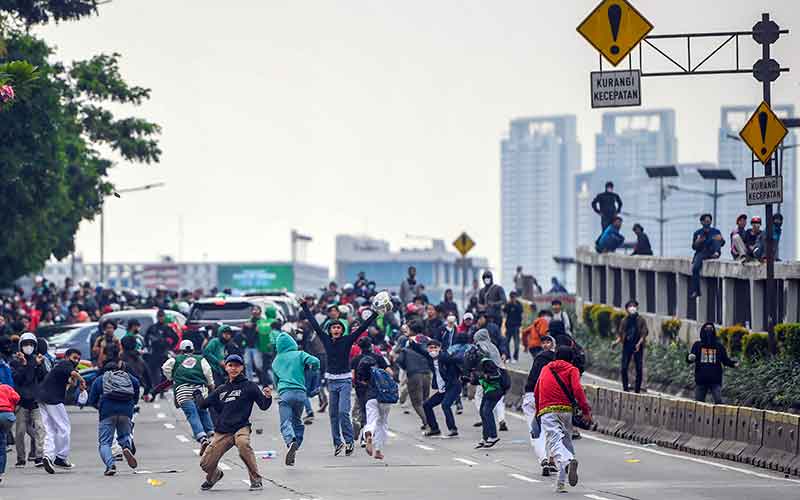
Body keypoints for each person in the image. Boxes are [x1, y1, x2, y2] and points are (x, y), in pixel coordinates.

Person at [299, 300, 377, 456]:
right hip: (331, 381)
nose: (336, 329)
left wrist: (374, 313)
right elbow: (314, 323)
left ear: (342, 330)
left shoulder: (347, 340)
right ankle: (337, 443)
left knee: (343, 412)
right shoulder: (326, 339)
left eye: (338, 327)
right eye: (333, 327)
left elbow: (362, 327)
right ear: (329, 330)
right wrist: (305, 307)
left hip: (345, 381)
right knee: (332, 414)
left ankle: (349, 441)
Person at [195, 354, 273, 491]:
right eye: (230, 365)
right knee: (205, 464)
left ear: (242, 367)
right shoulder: (221, 390)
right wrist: (197, 394)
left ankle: (256, 480)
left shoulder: (250, 386)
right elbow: (203, 405)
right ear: (226, 367)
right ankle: (214, 476)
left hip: (241, 428)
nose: (233, 368)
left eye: (237, 366)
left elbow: (264, 405)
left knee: (243, 444)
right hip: (223, 431)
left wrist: (267, 396)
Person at [535, 346, 592, 493]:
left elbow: (537, 389)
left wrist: (537, 410)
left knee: (554, 442)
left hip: (548, 410)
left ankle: (567, 462)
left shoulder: (546, 368)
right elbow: (578, 390)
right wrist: (586, 411)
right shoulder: (572, 369)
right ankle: (560, 483)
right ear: (571, 358)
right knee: (565, 441)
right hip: (566, 410)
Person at [271, 332, 320, 466]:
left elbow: (275, 381)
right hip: (300, 394)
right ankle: (296, 444)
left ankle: (290, 441)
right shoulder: (300, 354)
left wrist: (280, 390)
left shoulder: (276, 360)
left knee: (285, 423)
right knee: (297, 421)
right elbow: (315, 361)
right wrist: (313, 371)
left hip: (285, 393)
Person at [87, 359, 140, 476]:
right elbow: (136, 387)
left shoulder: (100, 379)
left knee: (105, 442)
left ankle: (110, 465)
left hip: (107, 412)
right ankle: (126, 447)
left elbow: (91, 400)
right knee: (125, 435)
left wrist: (99, 407)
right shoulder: (129, 377)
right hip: (126, 412)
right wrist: (132, 404)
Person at [162, 340, 215, 453]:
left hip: (183, 390)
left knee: (192, 413)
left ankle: (202, 438)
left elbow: (165, 368)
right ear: (193, 349)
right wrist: (211, 385)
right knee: (203, 411)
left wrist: (171, 377)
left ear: (181, 350)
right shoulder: (201, 359)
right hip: (200, 390)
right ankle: (211, 433)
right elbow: (208, 372)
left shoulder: (174, 360)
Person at [38, 348, 86, 473]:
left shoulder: (62, 367)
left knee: (50, 429)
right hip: (52, 399)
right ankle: (60, 457)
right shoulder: (65, 364)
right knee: (64, 427)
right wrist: (82, 379)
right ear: (67, 357)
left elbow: (70, 383)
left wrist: (78, 383)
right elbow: (74, 375)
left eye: (78, 359)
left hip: (42, 398)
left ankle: (47, 456)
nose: (76, 361)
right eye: (74, 358)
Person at [409, 338, 461, 437]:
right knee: (427, 405)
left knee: (445, 405)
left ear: (440, 348)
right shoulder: (430, 358)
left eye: (435, 348)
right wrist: (412, 342)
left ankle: (452, 428)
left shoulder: (444, 357)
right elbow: (420, 350)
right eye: (431, 348)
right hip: (442, 389)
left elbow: (457, 359)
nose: (433, 350)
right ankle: (434, 429)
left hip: (452, 386)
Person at [522, 335, 557, 476]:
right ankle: (552, 460)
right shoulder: (560, 362)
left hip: (532, 396)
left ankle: (543, 459)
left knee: (536, 432)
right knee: (553, 431)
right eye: (544, 342)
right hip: (548, 399)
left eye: (548, 341)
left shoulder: (539, 358)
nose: (546, 344)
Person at [11, 333, 47, 468]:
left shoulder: (37, 360)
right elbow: (21, 379)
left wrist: (39, 365)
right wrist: (26, 365)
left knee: (40, 428)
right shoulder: (15, 362)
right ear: (21, 346)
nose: (28, 347)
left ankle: (39, 456)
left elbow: (43, 377)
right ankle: (21, 458)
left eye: (31, 344)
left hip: (35, 400)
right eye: (26, 344)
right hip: (21, 402)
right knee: (20, 432)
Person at [471, 334, 510, 449]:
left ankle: (492, 436)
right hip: (489, 389)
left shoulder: (487, 359)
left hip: (496, 389)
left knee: (487, 411)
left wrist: (485, 376)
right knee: (483, 411)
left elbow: (494, 375)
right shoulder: (481, 360)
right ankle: (485, 437)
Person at [355, 354, 397, 460]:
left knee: (371, 421)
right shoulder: (381, 372)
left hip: (371, 399)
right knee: (382, 424)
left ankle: (368, 435)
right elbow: (392, 379)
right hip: (385, 399)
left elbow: (362, 383)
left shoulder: (362, 373)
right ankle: (378, 450)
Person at [687, 323, 737, 404]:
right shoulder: (697, 345)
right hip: (701, 379)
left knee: (718, 401)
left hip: (715, 380)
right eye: (707, 329)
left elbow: (725, 360)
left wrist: (734, 364)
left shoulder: (719, 346)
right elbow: (691, 358)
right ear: (703, 331)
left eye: (711, 329)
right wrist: (689, 357)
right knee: (699, 403)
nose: (709, 331)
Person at [395, 332, 432, 431]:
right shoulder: (425, 352)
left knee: (417, 403)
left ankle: (427, 423)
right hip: (427, 374)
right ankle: (430, 421)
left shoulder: (406, 351)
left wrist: (406, 368)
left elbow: (398, 361)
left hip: (414, 375)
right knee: (425, 400)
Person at [612, 300, 648, 393]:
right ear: (627, 309)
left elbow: (644, 334)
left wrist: (639, 344)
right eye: (630, 306)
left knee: (639, 368)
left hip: (637, 347)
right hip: (627, 346)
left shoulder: (641, 320)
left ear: (636, 308)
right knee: (624, 367)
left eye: (634, 306)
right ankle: (625, 388)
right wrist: (616, 343)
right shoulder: (624, 321)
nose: (632, 308)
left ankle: (637, 389)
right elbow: (621, 335)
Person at [690, 214, 725, 299]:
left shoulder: (716, 231)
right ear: (702, 222)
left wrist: (721, 239)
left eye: (709, 221)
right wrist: (698, 241)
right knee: (695, 268)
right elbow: (694, 247)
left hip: (712, 252)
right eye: (706, 221)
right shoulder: (697, 233)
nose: (708, 222)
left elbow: (723, 243)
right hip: (702, 253)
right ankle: (696, 290)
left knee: (715, 240)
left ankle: (716, 253)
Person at [144, 310, 179, 384]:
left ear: (164, 317)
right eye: (159, 316)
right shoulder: (152, 327)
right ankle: (155, 386)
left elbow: (176, 338)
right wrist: (148, 346)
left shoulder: (166, 328)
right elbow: (146, 337)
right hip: (154, 352)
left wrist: (170, 347)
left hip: (163, 352)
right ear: (157, 317)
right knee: (152, 370)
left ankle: (163, 386)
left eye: (162, 316)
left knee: (164, 370)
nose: (161, 318)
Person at [0, 382, 20, 483]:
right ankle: (0, 472)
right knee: (2, 445)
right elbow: (16, 398)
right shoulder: (6, 387)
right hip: (7, 416)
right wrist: (11, 407)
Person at [241, 306, 264, 383]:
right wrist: (245, 326)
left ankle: (264, 379)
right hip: (248, 346)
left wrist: (257, 327)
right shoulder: (248, 321)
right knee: (247, 364)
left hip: (257, 346)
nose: (255, 311)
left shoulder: (262, 321)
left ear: (260, 311)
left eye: (256, 310)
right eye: (253, 310)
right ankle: (249, 381)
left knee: (259, 365)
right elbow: (242, 333)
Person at [503, 292, 523, 363]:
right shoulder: (508, 304)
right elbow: (504, 311)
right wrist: (509, 304)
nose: (513, 298)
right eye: (511, 297)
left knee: (516, 343)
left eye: (514, 297)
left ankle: (515, 357)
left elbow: (521, 312)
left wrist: (515, 304)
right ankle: (508, 357)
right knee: (506, 342)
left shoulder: (519, 304)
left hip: (516, 326)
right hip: (508, 326)